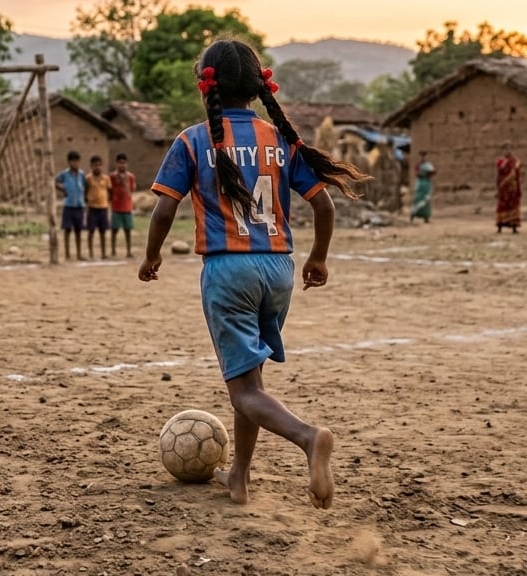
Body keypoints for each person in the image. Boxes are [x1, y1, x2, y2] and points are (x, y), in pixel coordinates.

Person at [138, 38, 371, 509]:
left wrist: (152, 256)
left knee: (243, 389)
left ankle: (309, 438)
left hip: (229, 270)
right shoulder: (280, 138)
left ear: (207, 84)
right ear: (258, 84)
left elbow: (164, 210)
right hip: (278, 269)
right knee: (250, 383)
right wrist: (318, 258)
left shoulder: (193, 139)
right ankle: (239, 477)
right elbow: (323, 204)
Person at [55, 151, 87, 261]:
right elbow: (55, 181)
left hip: (79, 205)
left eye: (77, 161)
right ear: (69, 162)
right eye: (73, 161)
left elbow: (85, 186)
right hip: (68, 205)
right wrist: (62, 188)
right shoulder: (64, 174)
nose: (75, 164)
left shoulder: (81, 174)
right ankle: (67, 254)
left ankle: (79, 254)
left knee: (78, 231)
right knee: (67, 230)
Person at [109, 152, 137, 258]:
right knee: (114, 230)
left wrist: (125, 183)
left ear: (127, 164)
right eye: (120, 163)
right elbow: (109, 190)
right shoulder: (112, 176)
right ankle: (113, 251)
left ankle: (129, 251)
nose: (122, 165)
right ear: (117, 164)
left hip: (127, 207)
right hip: (116, 207)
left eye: (124, 163)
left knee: (127, 230)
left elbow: (132, 189)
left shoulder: (130, 177)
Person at [85, 154, 111, 259]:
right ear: (91, 166)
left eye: (99, 165)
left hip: (103, 208)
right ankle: (91, 253)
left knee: (103, 232)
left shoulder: (106, 179)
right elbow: (85, 191)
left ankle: (103, 253)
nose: (98, 167)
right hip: (92, 208)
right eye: (95, 165)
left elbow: (109, 191)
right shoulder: (88, 178)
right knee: (91, 231)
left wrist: (107, 202)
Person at [495, 142, 522, 234]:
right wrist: (499, 186)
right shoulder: (500, 162)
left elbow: (517, 175)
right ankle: (500, 227)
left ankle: (514, 227)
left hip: (512, 188)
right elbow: (499, 175)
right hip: (503, 188)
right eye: (506, 149)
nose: (508, 151)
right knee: (502, 206)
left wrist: (518, 187)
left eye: (509, 149)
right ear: (502, 151)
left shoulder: (515, 162)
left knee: (513, 206)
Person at [410, 150, 435, 223]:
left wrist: (427, 174)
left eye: (424, 156)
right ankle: (413, 215)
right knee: (417, 199)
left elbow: (432, 172)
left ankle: (426, 217)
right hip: (420, 184)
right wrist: (422, 174)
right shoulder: (418, 165)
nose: (422, 158)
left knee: (426, 200)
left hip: (426, 184)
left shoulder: (428, 165)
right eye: (421, 156)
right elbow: (417, 174)